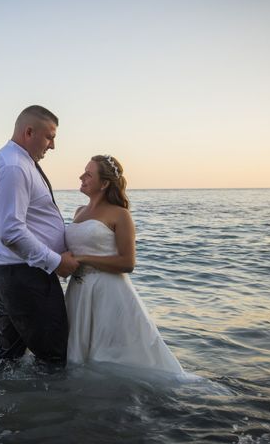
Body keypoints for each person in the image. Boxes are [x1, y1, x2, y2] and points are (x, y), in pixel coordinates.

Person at [64, 155, 184, 373]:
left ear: (105, 183)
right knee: (77, 358)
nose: (81, 177)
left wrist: (83, 259)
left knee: (111, 359)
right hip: (78, 291)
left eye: (88, 174)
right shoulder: (79, 212)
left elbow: (128, 263)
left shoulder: (121, 215)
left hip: (107, 291)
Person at [0, 105, 79, 365]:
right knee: (54, 356)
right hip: (25, 276)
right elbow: (10, 232)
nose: (53, 146)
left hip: (12, 273)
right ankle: (52, 405)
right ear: (28, 132)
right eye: (50, 137)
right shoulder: (14, 166)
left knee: (8, 357)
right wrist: (57, 262)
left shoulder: (17, 161)